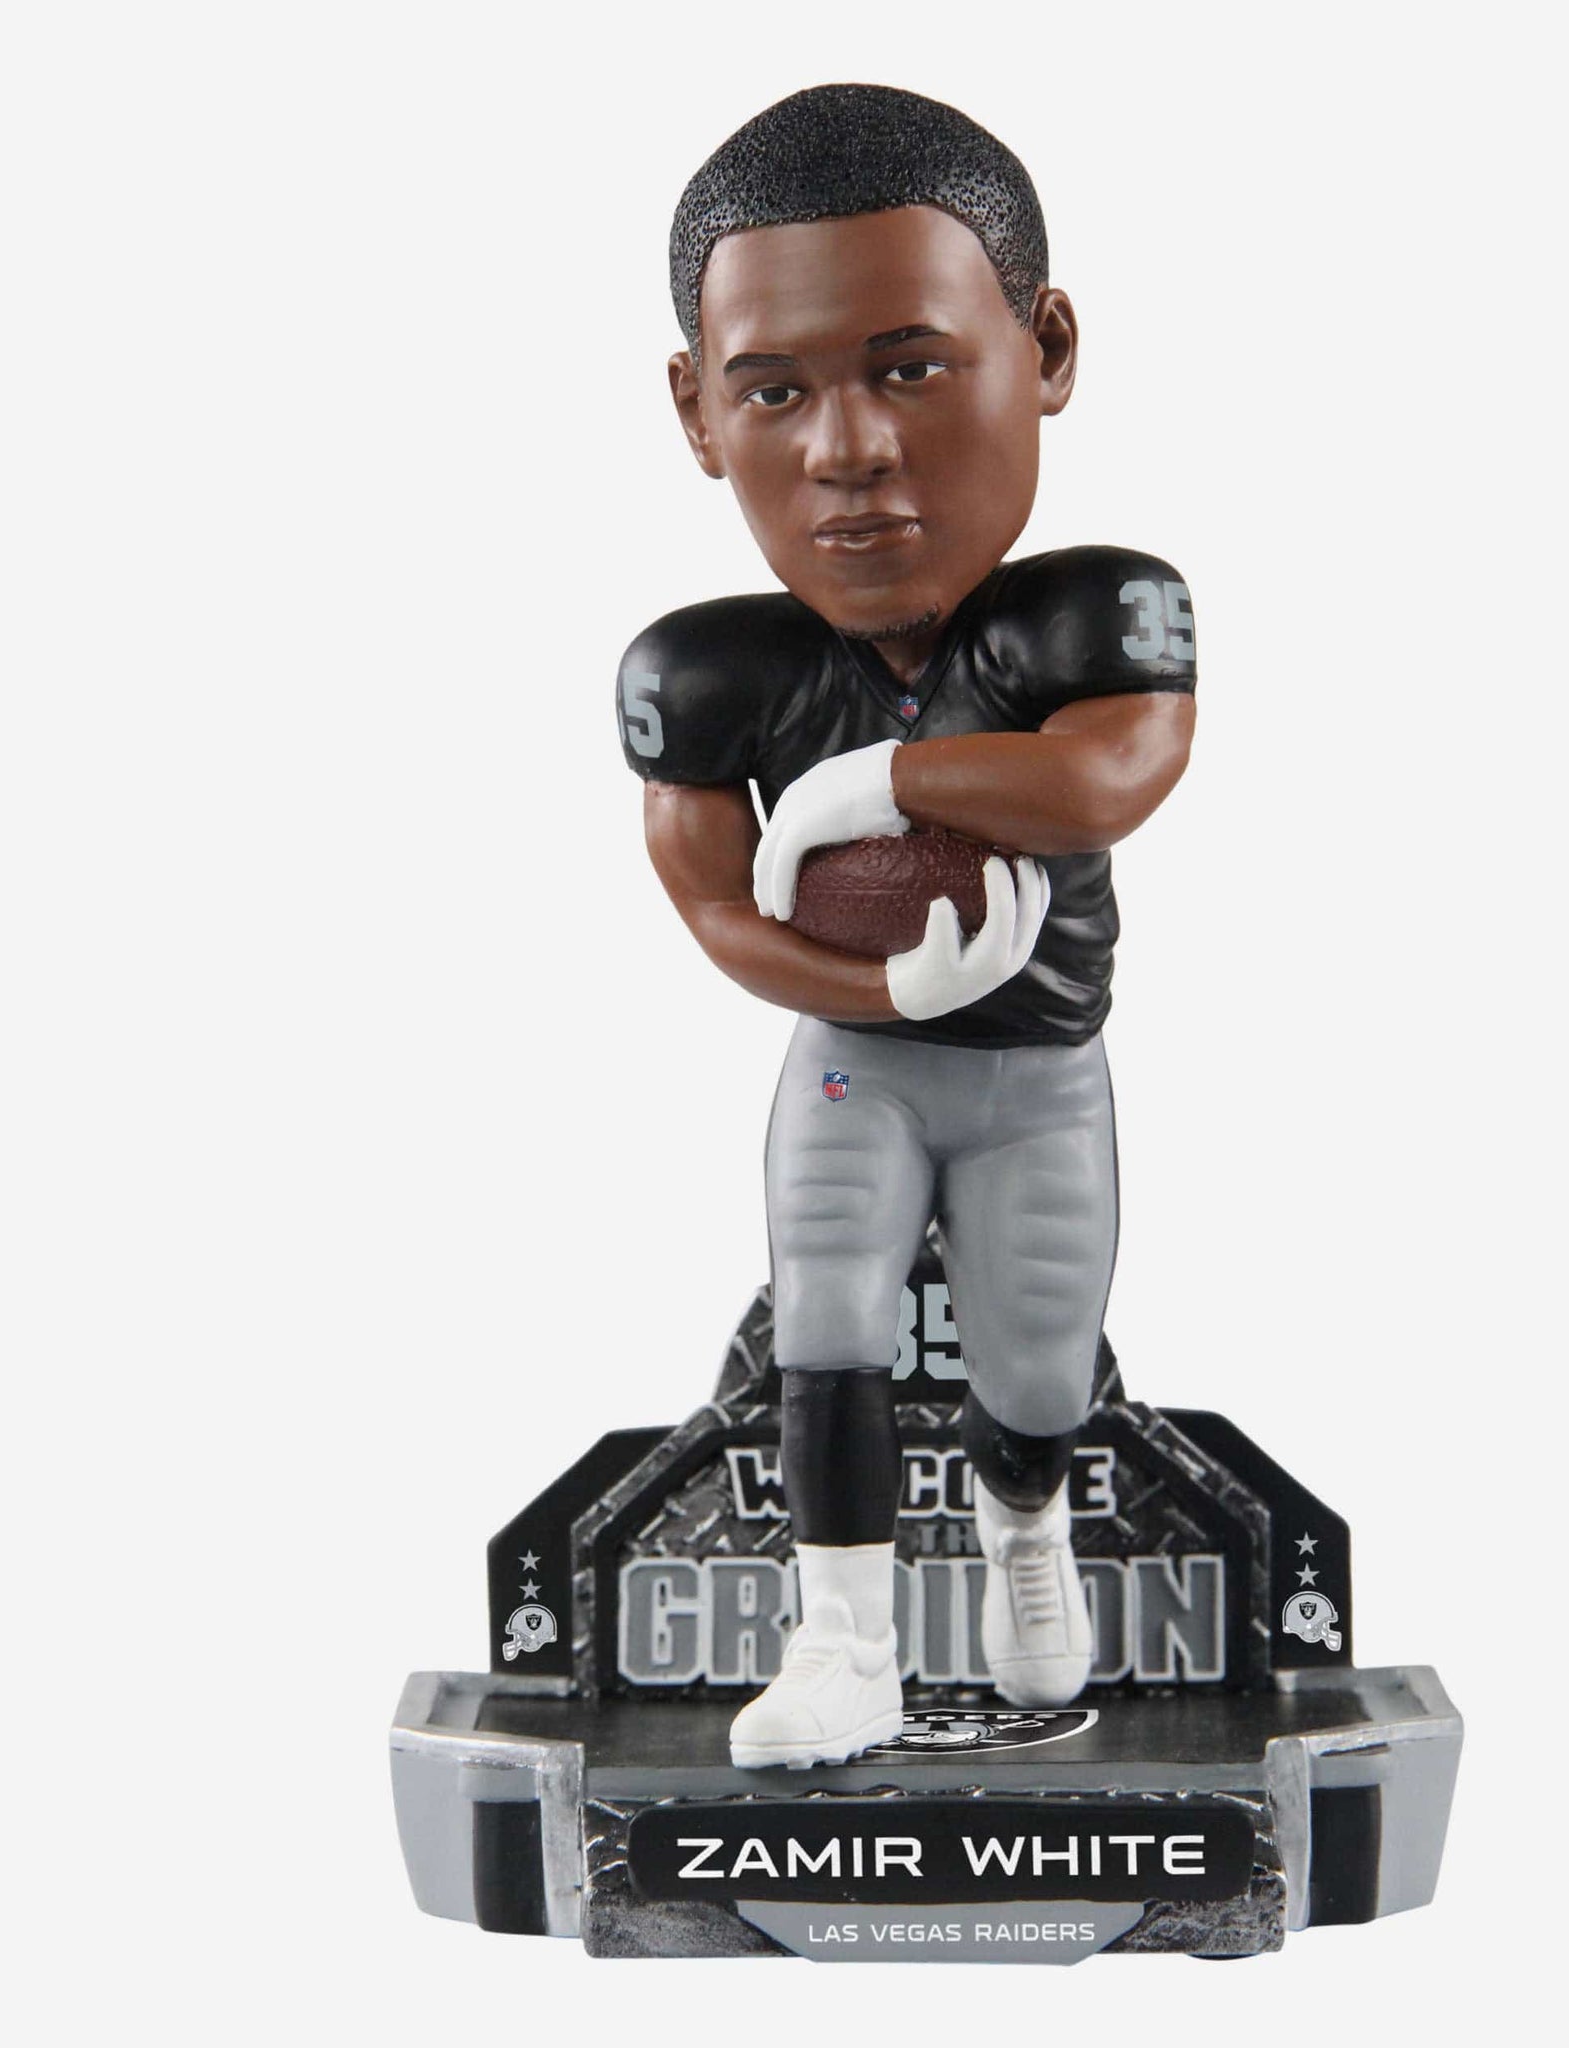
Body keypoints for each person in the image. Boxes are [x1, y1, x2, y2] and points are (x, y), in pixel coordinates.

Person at [617, 84, 1197, 1769]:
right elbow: (715, 906)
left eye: (911, 368)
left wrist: (868, 787)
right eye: (774, 390)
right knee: (827, 1321)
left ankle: (1028, 1538)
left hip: (1037, 1071)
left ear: (1048, 348)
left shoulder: (1097, 613)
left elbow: (1102, 781)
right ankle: (843, 1645)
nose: (848, 448)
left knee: (1038, 1368)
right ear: (697, 410)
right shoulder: (706, 669)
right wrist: (872, 981)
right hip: (854, 1059)